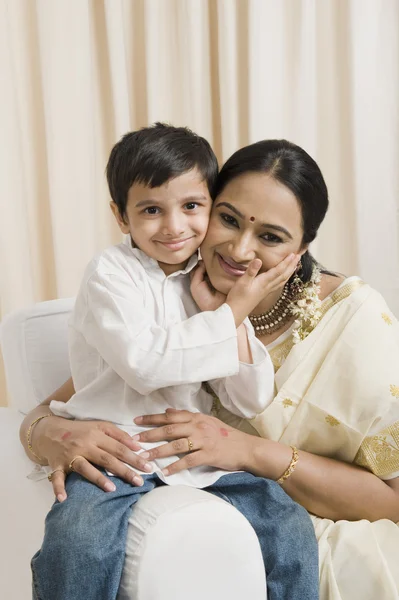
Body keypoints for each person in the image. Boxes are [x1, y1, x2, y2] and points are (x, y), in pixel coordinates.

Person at [22, 136, 399, 598]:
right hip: (129, 465)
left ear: (302, 248)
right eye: (228, 219)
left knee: (286, 525)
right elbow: (95, 385)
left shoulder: (351, 322)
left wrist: (247, 447)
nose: (240, 250)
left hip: (318, 517)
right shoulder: (138, 280)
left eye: (270, 237)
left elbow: (251, 395)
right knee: (79, 539)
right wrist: (47, 434)